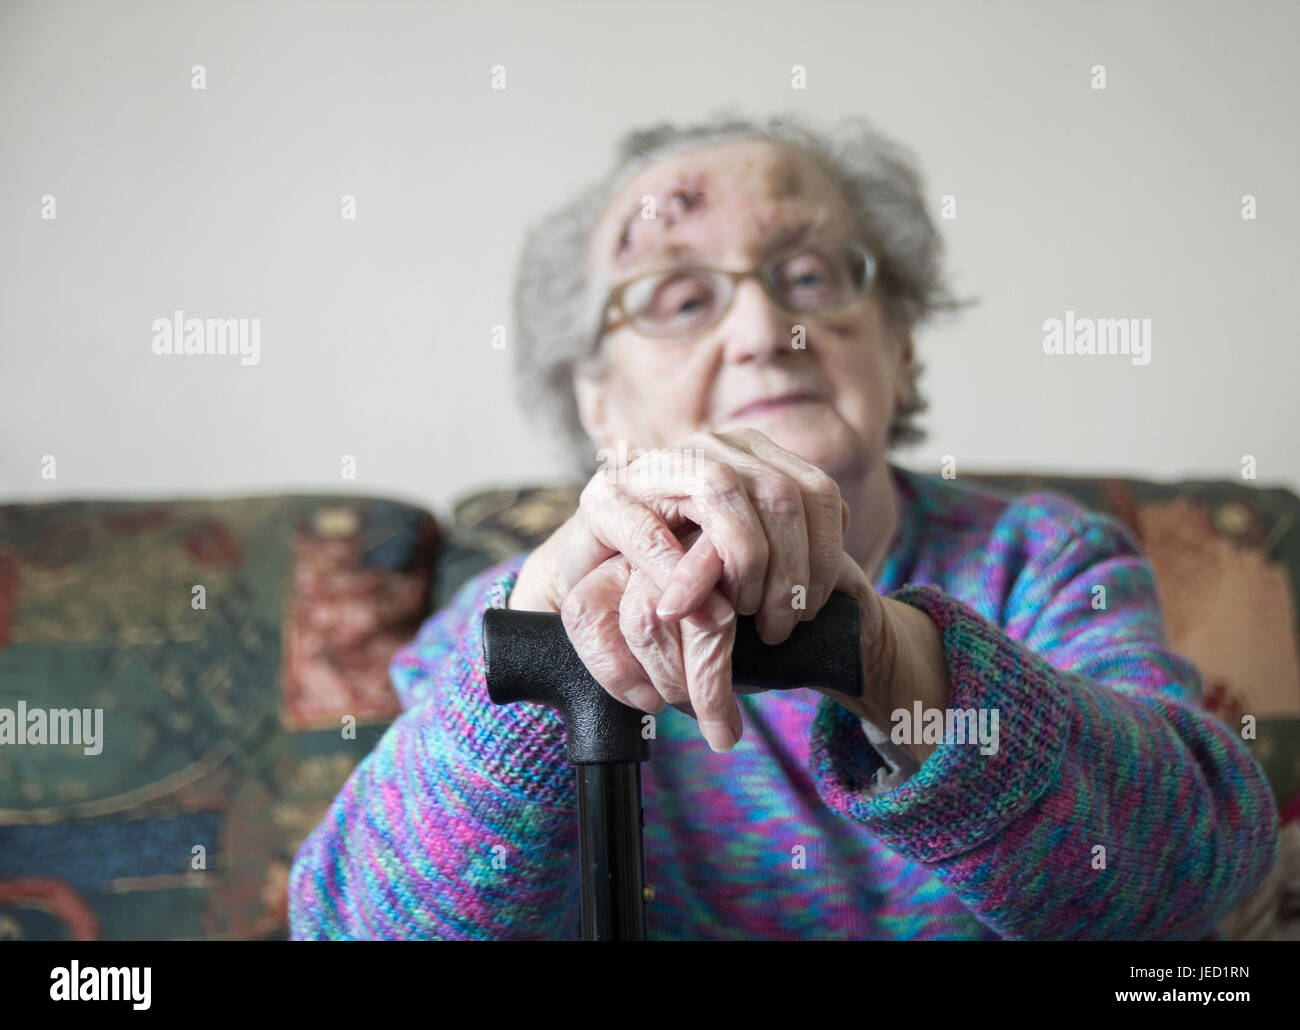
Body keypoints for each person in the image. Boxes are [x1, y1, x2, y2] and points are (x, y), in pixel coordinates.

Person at [288, 113, 1279, 939]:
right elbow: (345, 929)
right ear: (598, 400)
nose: (767, 331)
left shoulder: (1044, 559)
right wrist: (537, 666)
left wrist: (891, 658)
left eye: (807, 277)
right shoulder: (498, 620)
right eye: (678, 298)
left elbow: (1203, 867)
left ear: (897, 344)